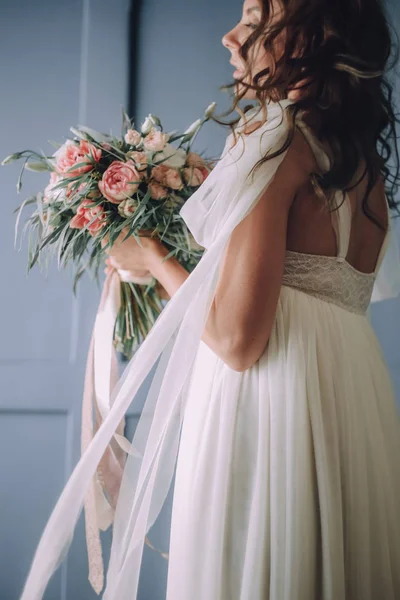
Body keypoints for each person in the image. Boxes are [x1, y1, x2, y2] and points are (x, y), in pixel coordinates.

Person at [20, 0, 400, 598]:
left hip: (272, 403)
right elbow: (298, 285)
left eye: (252, 19)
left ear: (307, 37)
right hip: (349, 398)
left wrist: (154, 259)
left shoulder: (275, 136)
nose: (229, 36)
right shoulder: (362, 165)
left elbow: (235, 339)